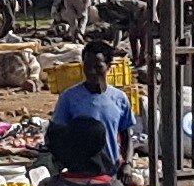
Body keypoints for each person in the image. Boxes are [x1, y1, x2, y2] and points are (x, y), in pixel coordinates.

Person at [53, 42, 138, 170]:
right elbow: (56, 134)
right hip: (80, 173)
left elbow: (126, 137)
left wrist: (128, 163)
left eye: (98, 67)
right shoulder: (69, 98)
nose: (92, 71)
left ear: (108, 66)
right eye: (87, 66)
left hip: (110, 172)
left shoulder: (120, 98)